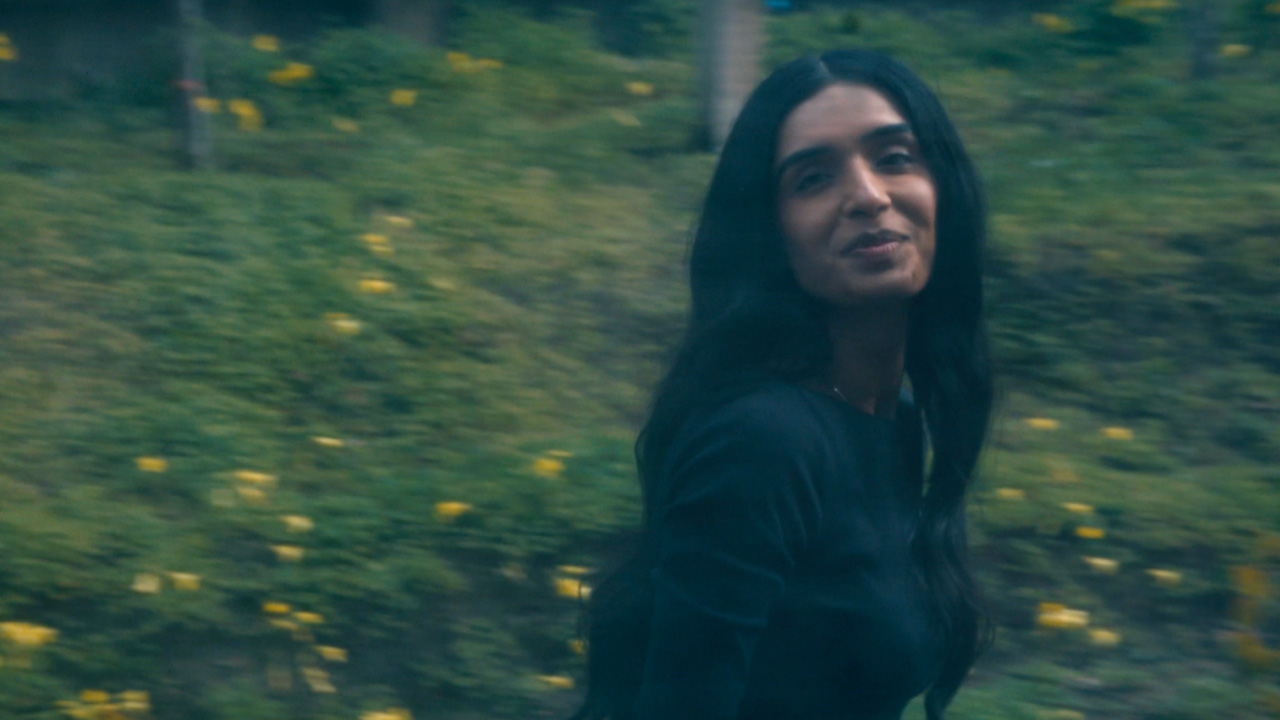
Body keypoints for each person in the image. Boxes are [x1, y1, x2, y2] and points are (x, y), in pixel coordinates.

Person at [569, 48, 996, 720]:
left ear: (942, 187)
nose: (868, 195)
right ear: (769, 234)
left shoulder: (896, 420)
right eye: (814, 179)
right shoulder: (762, 444)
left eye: (893, 157)